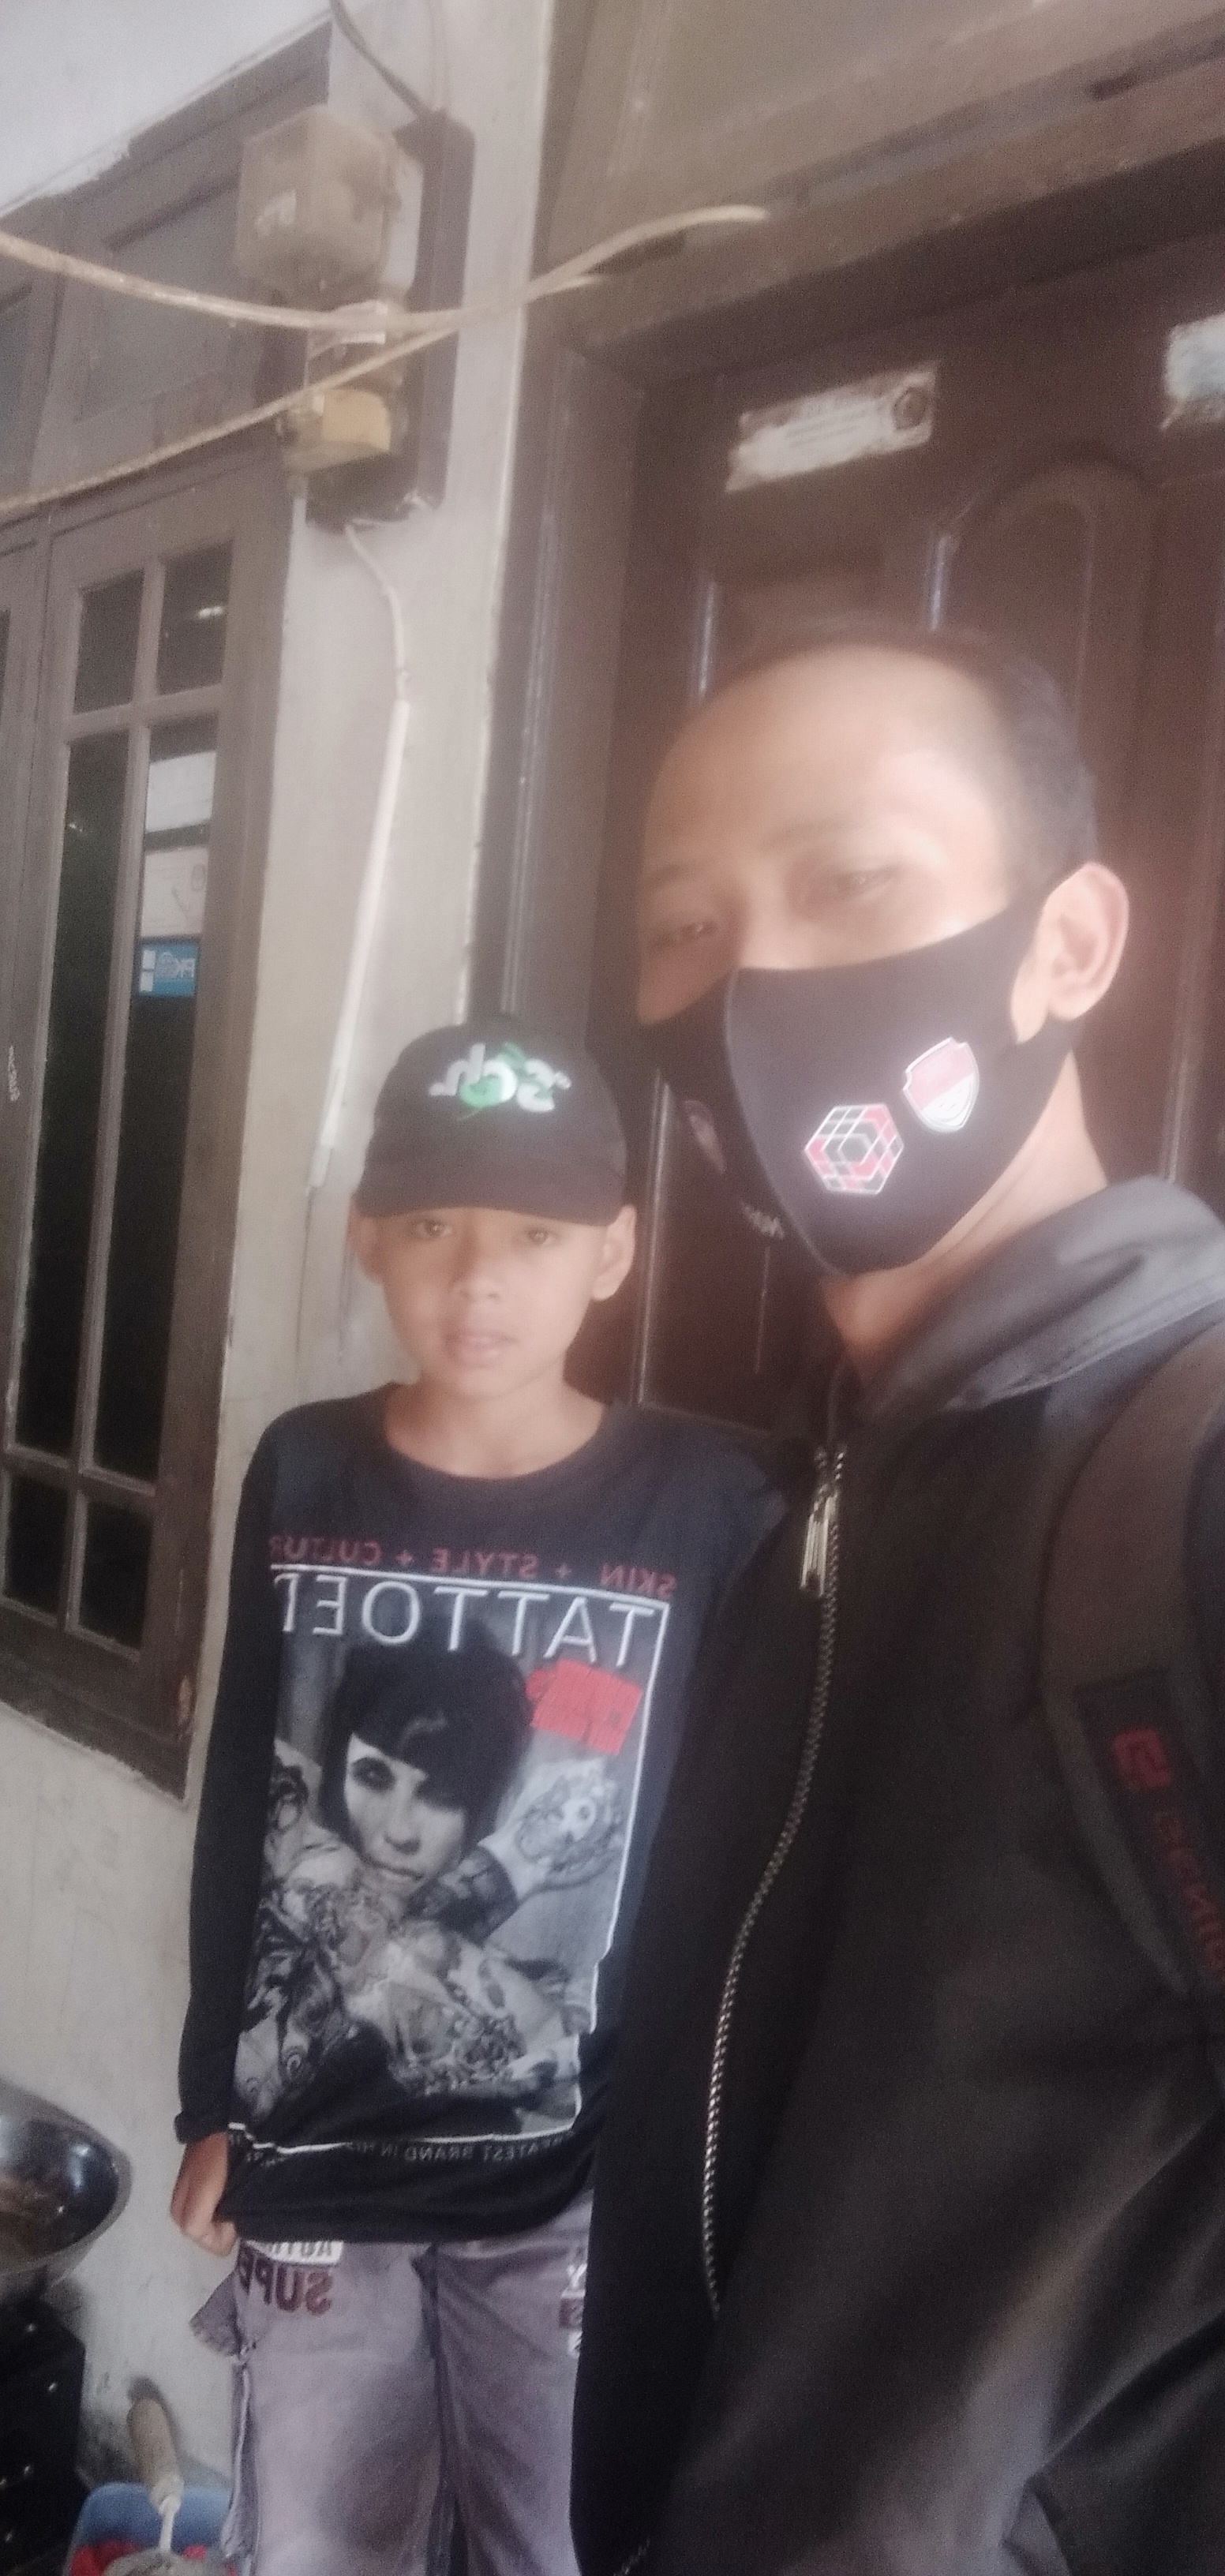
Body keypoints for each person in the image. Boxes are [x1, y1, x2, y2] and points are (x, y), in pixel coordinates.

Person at [570, 625, 1225, 2576]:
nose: (753, 983)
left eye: (850, 882)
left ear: (1065, 942)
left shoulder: (1182, 1472)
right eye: (682, 927)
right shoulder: (819, 1497)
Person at [170, 1011, 778, 2576]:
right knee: (319, 2543)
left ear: (613, 1252)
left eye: (533, 1235)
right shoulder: (306, 1469)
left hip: (579, 2181)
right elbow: (243, 1798)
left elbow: (753, 1852)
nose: (478, 1279)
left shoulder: (713, 1504)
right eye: (433, 1226)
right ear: (368, 1236)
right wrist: (208, 2107)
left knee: (557, 2543)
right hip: (316, 2165)